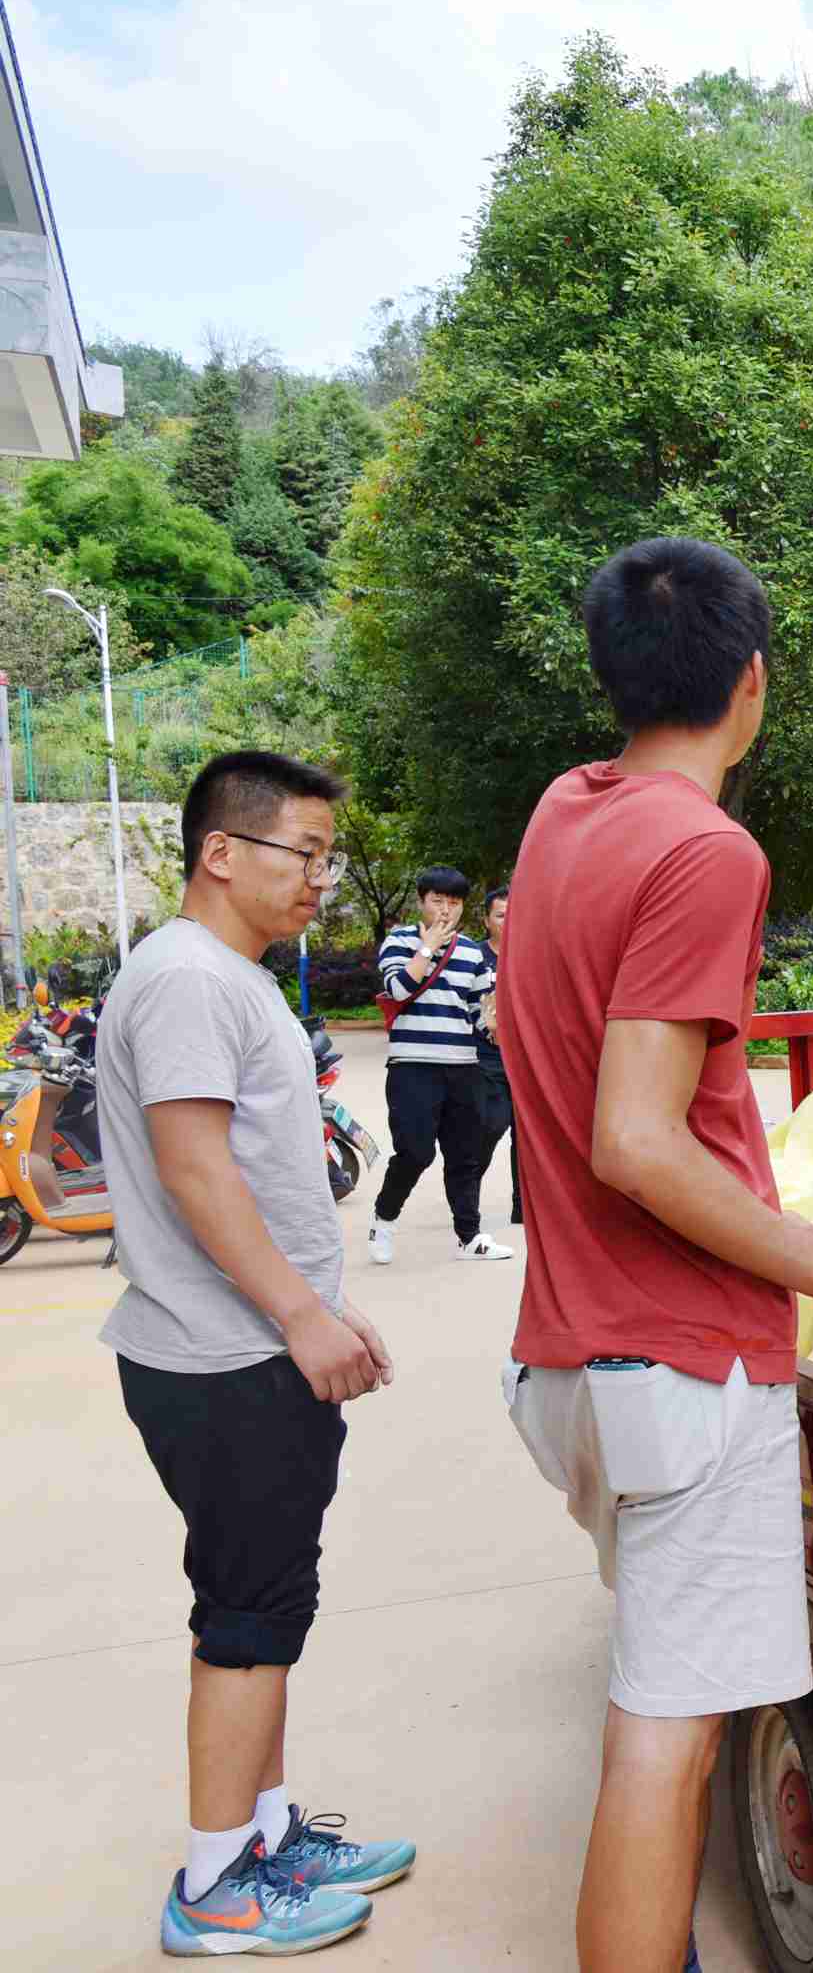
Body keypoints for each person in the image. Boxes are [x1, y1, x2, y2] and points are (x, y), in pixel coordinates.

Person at [501, 537, 813, 1973]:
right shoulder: (706, 852)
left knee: (660, 1707)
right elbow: (636, 1138)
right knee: (664, 1736)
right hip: (680, 1366)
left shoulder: (563, 810)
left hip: (571, 1355)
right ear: (753, 683)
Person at [102, 750, 414, 1959]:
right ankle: (215, 1887)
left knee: (266, 1604)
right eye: (306, 853)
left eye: (329, 859)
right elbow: (195, 1170)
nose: (319, 880)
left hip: (251, 1345)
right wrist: (298, 1316)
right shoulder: (188, 978)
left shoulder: (223, 975)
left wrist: (320, 1308)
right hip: (225, 1358)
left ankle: (264, 1834)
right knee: (249, 1613)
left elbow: (258, 1171)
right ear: (221, 851)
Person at [368, 864, 510, 1264]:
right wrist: (428, 946)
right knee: (414, 1152)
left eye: (454, 902)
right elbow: (399, 989)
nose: (446, 910)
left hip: (463, 1067)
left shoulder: (471, 952)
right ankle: (383, 1219)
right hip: (413, 1066)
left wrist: (494, 1024)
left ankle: (470, 1237)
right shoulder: (399, 941)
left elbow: (480, 1014)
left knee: (465, 1156)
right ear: (421, 902)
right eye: (438, 901)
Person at [472, 880, 520, 1229]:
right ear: (487, 920)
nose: (509, 921)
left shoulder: (530, 955)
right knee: (492, 1126)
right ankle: (465, 1193)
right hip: (486, 1057)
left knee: (527, 1137)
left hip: (525, 1058)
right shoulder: (475, 956)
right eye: (501, 915)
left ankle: (523, 1207)